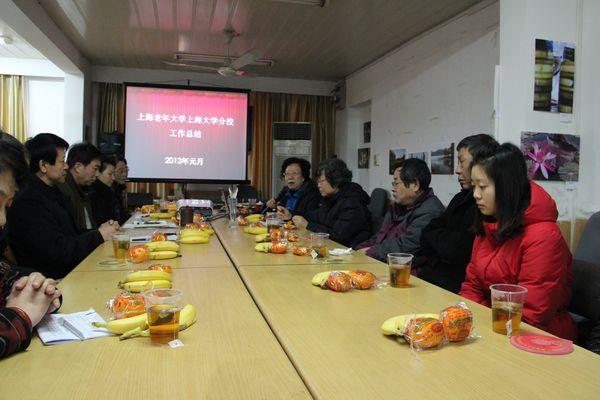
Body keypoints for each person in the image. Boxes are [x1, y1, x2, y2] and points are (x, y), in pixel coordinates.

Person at [459, 143, 576, 340]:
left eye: (482, 186)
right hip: (496, 325)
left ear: (507, 188)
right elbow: (472, 288)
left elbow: (532, 316)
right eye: (474, 186)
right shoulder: (489, 225)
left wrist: (482, 320)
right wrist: (464, 319)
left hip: (539, 337)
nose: (476, 194)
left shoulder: (544, 237)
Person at [6, 134, 119, 279]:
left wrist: (100, 231)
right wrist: (98, 236)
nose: (66, 166)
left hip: (70, 270)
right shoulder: (29, 200)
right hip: (51, 279)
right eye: (62, 161)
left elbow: (73, 234)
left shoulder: (53, 190)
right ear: (43, 165)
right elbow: (57, 252)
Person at [0, 131, 62, 359]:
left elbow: (6, 273)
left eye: (6, 206)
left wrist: (38, 288)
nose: (2, 220)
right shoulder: (33, 200)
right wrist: (21, 315)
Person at [419, 134, 499, 293]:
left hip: (455, 288)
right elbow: (426, 233)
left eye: (461, 162)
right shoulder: (459, 198)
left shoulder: (486, 206)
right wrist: (444, 240)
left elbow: (459, 251)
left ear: (480, 164)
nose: (457, 170)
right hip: (431, 279)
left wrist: (441, 239)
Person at [355, 158, 444, 265]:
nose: (393, 189)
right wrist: (357, 250)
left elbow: (405, 247)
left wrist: (369, 252)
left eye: (396, 183)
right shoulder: (398, 207)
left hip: (408, 270)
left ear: (415, 185)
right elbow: (379, 237)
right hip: (383, 261)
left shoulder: (430, 211)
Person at [291, 158, 371, 247]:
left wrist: (308, 225)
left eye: (322, 181)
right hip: (332, 247)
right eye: (318, 181)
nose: (318, 185)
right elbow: (315, 216)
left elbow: (338, 236)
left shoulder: (352, 202)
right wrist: (291, 215)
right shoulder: (332, 197)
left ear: (336, 180)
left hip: (348, 251)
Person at [58, 143, 102, 230]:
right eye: (95, 168)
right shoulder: (64, 191)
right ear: (78, 167)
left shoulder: (84, 189)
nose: (97, 174)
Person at [90, 155, 119, 227]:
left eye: (114, 174)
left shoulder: (109, 192)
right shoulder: (93, 194)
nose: (113, 178)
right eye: (110, 174)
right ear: (98, 173)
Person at [113, 155, 130, 224]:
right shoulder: (108, 191)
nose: (125, 174)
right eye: (121, 171)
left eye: (126, 170)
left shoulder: (120, 188)